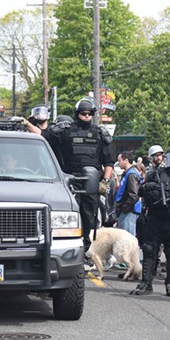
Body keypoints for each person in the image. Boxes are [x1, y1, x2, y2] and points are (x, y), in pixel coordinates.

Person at [40, 98, 114, 253]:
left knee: (88, 216)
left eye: (89, 114)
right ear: (77, 113)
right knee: (66, 215)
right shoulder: (66, 131)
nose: (86, 116)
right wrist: (28, 125)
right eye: (83, 113)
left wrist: (105, 182)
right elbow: (42, 137)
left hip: (91, 183)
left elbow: (108, 162)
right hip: (69, 181)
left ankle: (85, 247)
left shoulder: (100, 134)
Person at [131, 147, 170, 297]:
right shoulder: (156, 174)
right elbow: (140, 191)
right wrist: (149, 187)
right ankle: (146, 283)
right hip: (156, 218)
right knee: (148, 249)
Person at [114, 151, 141, 236]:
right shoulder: (127, 174)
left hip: (129, 211)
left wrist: (125, 207)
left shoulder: (131, 174)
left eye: (119, 160)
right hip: (126, 210)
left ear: (126, 160)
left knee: (127, 238)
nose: (118, 163)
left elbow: (133, 194)